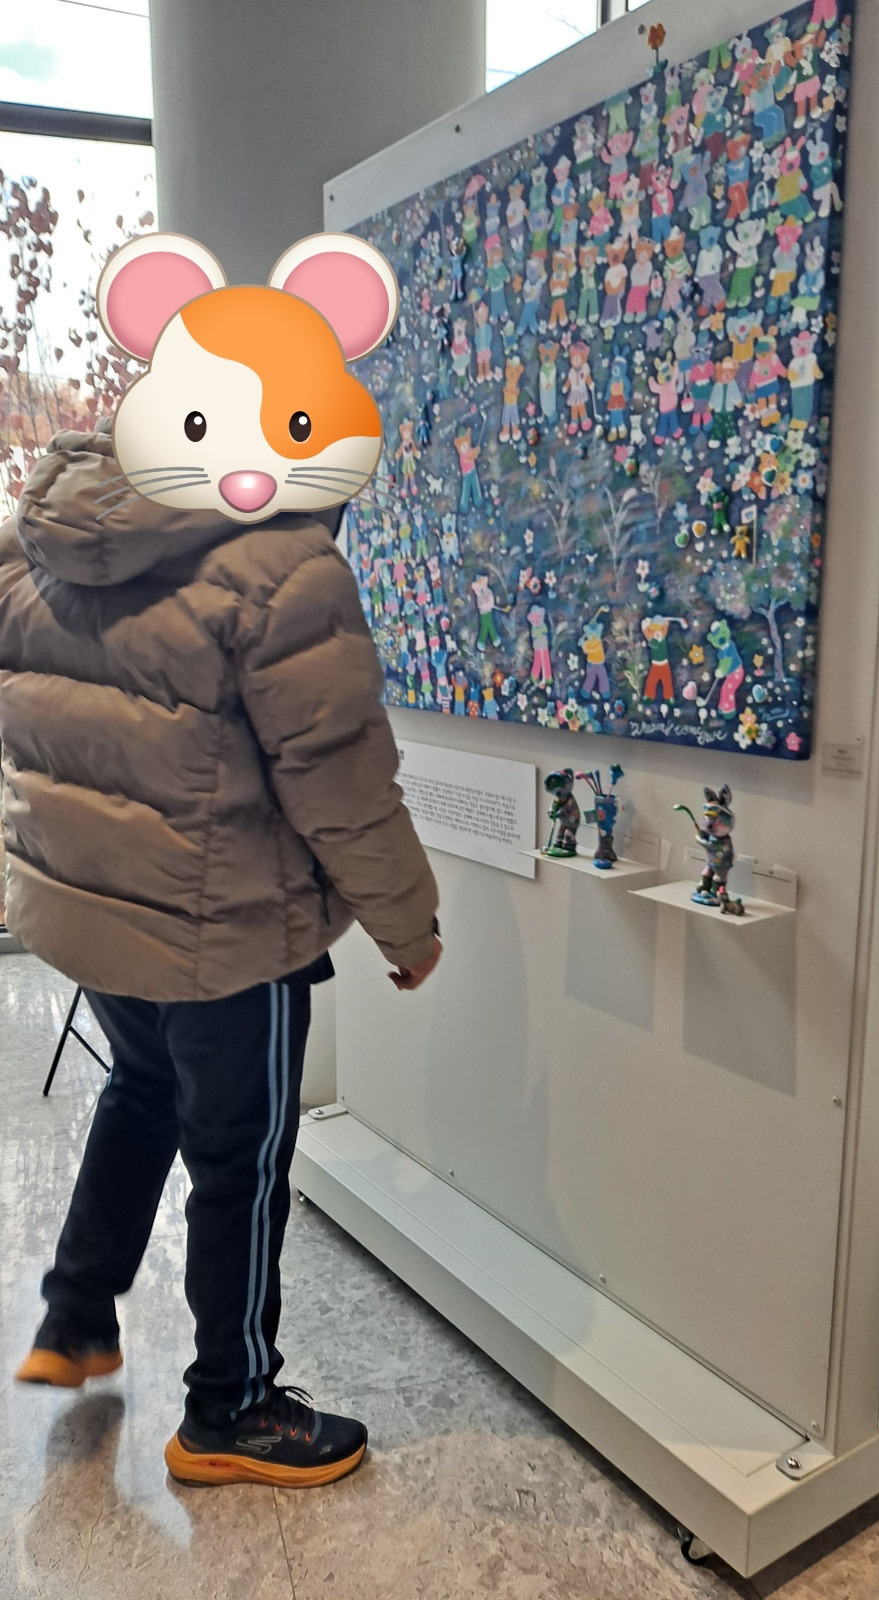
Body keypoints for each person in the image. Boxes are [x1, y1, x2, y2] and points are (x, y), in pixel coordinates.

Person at [0, 420, 441, 1489]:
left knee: (142, 1087)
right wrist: (408, 925)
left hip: (91, 910)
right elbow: (339, 781)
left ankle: (75, 1314)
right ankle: (230, 1409)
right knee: (239, 1162)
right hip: (229, 931)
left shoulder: (35, 544)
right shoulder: (281, 567)